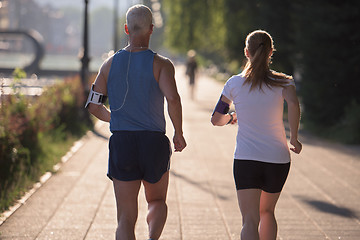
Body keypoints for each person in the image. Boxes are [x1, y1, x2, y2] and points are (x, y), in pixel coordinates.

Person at [86, 4, 186, 240]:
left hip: (122, 142)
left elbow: (93, 105)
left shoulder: (108, 64)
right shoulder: (162, 64)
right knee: (158, 201)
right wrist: (179, 133)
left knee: (125, 218)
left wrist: (117, 118)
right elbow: (173, 99)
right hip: (154, 142)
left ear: (126, 29)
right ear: (151, 29)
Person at [211, 30, 302, 240]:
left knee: (250, 220)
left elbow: (216, 118)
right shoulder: (284, 82)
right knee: (267, 212)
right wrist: (294, 138)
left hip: (246, 160)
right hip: (277, 159)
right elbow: (295, 104)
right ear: (271, 52)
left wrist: (231, 117)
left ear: (246, 52)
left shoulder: (233, 83)